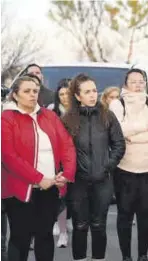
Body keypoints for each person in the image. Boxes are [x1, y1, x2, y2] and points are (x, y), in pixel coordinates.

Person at [1, 76, 76, 261]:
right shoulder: (6, 118)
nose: (32, 95)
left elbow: (67, 145)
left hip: (49, 188)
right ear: (15, 95)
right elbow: (8, 156)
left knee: (45, 236)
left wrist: (66, 174)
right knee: (21, 238)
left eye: (35, 91)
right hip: (19, 190)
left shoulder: (49, 116)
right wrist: (38, 178)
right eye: (26, 91)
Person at [62, 74, 126, 261]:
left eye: (94, 91)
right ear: (77, 96)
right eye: (87, 92)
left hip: (102, 180)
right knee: (80, 225)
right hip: (78, 181)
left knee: (99, 225)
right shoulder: (68, 119)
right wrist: (69, 171)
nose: (92, 95)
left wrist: (107, 166)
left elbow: (119, 145)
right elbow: (62, 150)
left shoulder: (107, 115)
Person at [109, 68, 148, 261]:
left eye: (141, 81)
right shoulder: (117, 104)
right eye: (133, 81)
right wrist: (143, 128)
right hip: (125, 169)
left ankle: (143, 255)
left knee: (146, 215)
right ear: (126, 84)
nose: (137, 85)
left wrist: (133, 137)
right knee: (124, 215)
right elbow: (117, 130)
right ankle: (126, 256)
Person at [47, 78, 73, 248]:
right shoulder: (51, 110)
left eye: (67, 94)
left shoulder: (80, 110)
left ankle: (68, 220)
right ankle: (62, 230)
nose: (64, 97)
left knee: (74, 196)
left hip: (77, 157)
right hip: (58, 158)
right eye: (61, 94)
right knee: (61, 195)